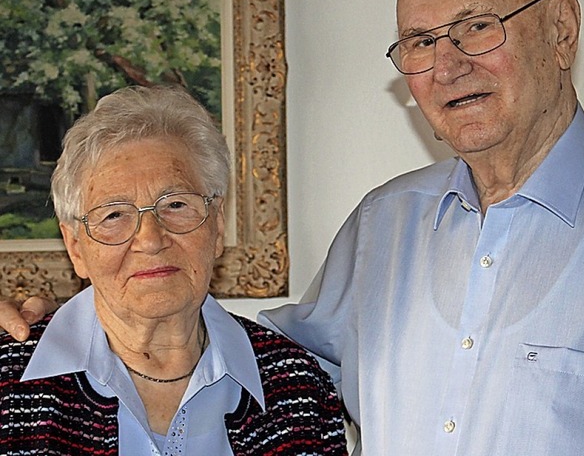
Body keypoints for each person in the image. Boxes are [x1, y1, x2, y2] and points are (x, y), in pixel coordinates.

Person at [4, 0, 584, 455]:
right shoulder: (382, 228)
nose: (447, 65)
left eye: (476, 28)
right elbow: (244, 350)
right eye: (421, 42)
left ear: (562, 28)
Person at [0, 85, 347, 455]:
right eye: (114, 214)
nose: (150, 239)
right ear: (75, 247)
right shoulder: (8, 382)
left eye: (176, 205)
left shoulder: (299, 387)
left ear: (216, 226)